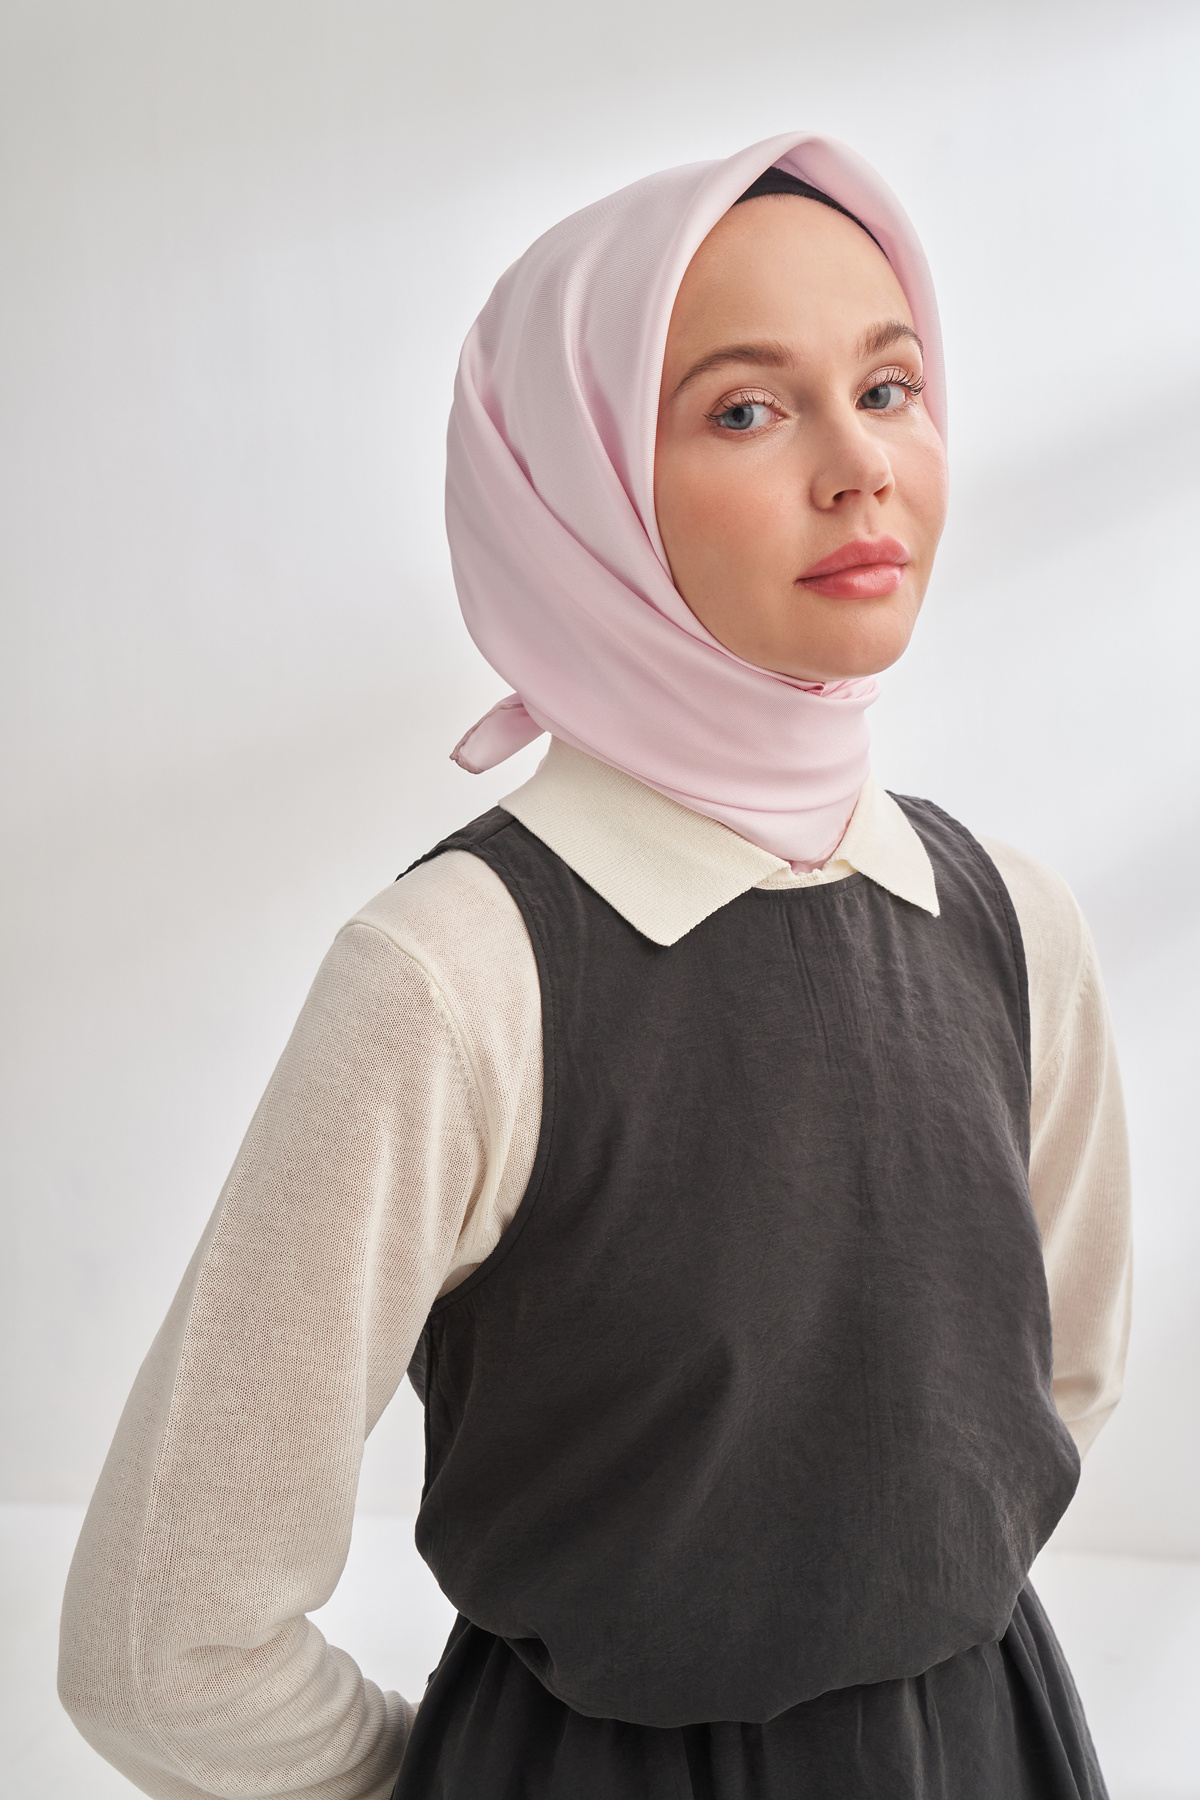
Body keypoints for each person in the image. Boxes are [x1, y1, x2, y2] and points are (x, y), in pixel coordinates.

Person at [59, 132, 1132, 1800]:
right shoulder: (458, 976)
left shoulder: (1010, 922)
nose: (860, 466)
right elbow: (162, 1645)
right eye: (746, 410)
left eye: (890, 387)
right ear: (580, 491)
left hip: (992, 1748)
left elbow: (1049, 1392)